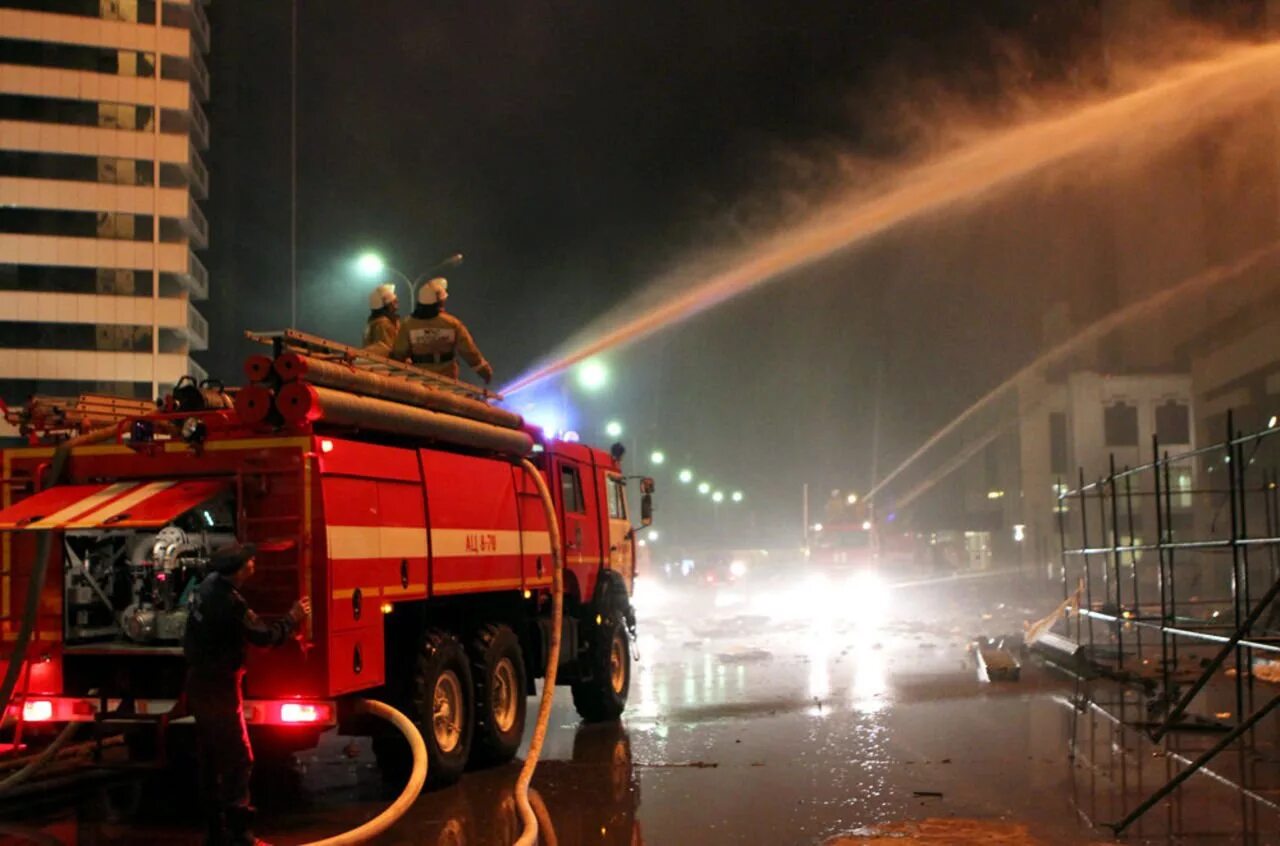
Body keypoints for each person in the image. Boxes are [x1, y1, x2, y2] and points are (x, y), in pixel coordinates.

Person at [183, 543, 311, 846]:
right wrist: (292, 618)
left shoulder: (206, 586)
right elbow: (264, 638)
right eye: (250, 562)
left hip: (198, 684)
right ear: (239, 570)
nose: (255, 564)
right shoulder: (230, 604)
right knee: (239, 759)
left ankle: (214, 831)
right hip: (220, 689)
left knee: (210, 757)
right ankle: (240, 835)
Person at [390, 277, 494, 383]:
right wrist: (484, 371)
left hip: (418, 378)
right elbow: (469, 351)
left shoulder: (408, 324)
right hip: (447, 377)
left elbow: (399, 353)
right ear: (440, 302)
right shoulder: (452, 324)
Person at [362, 283, 400, 356]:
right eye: (394, 301)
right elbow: (387, 348)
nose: (397, 301)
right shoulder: (383, 324)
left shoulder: (375, 322)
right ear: (388, 304)